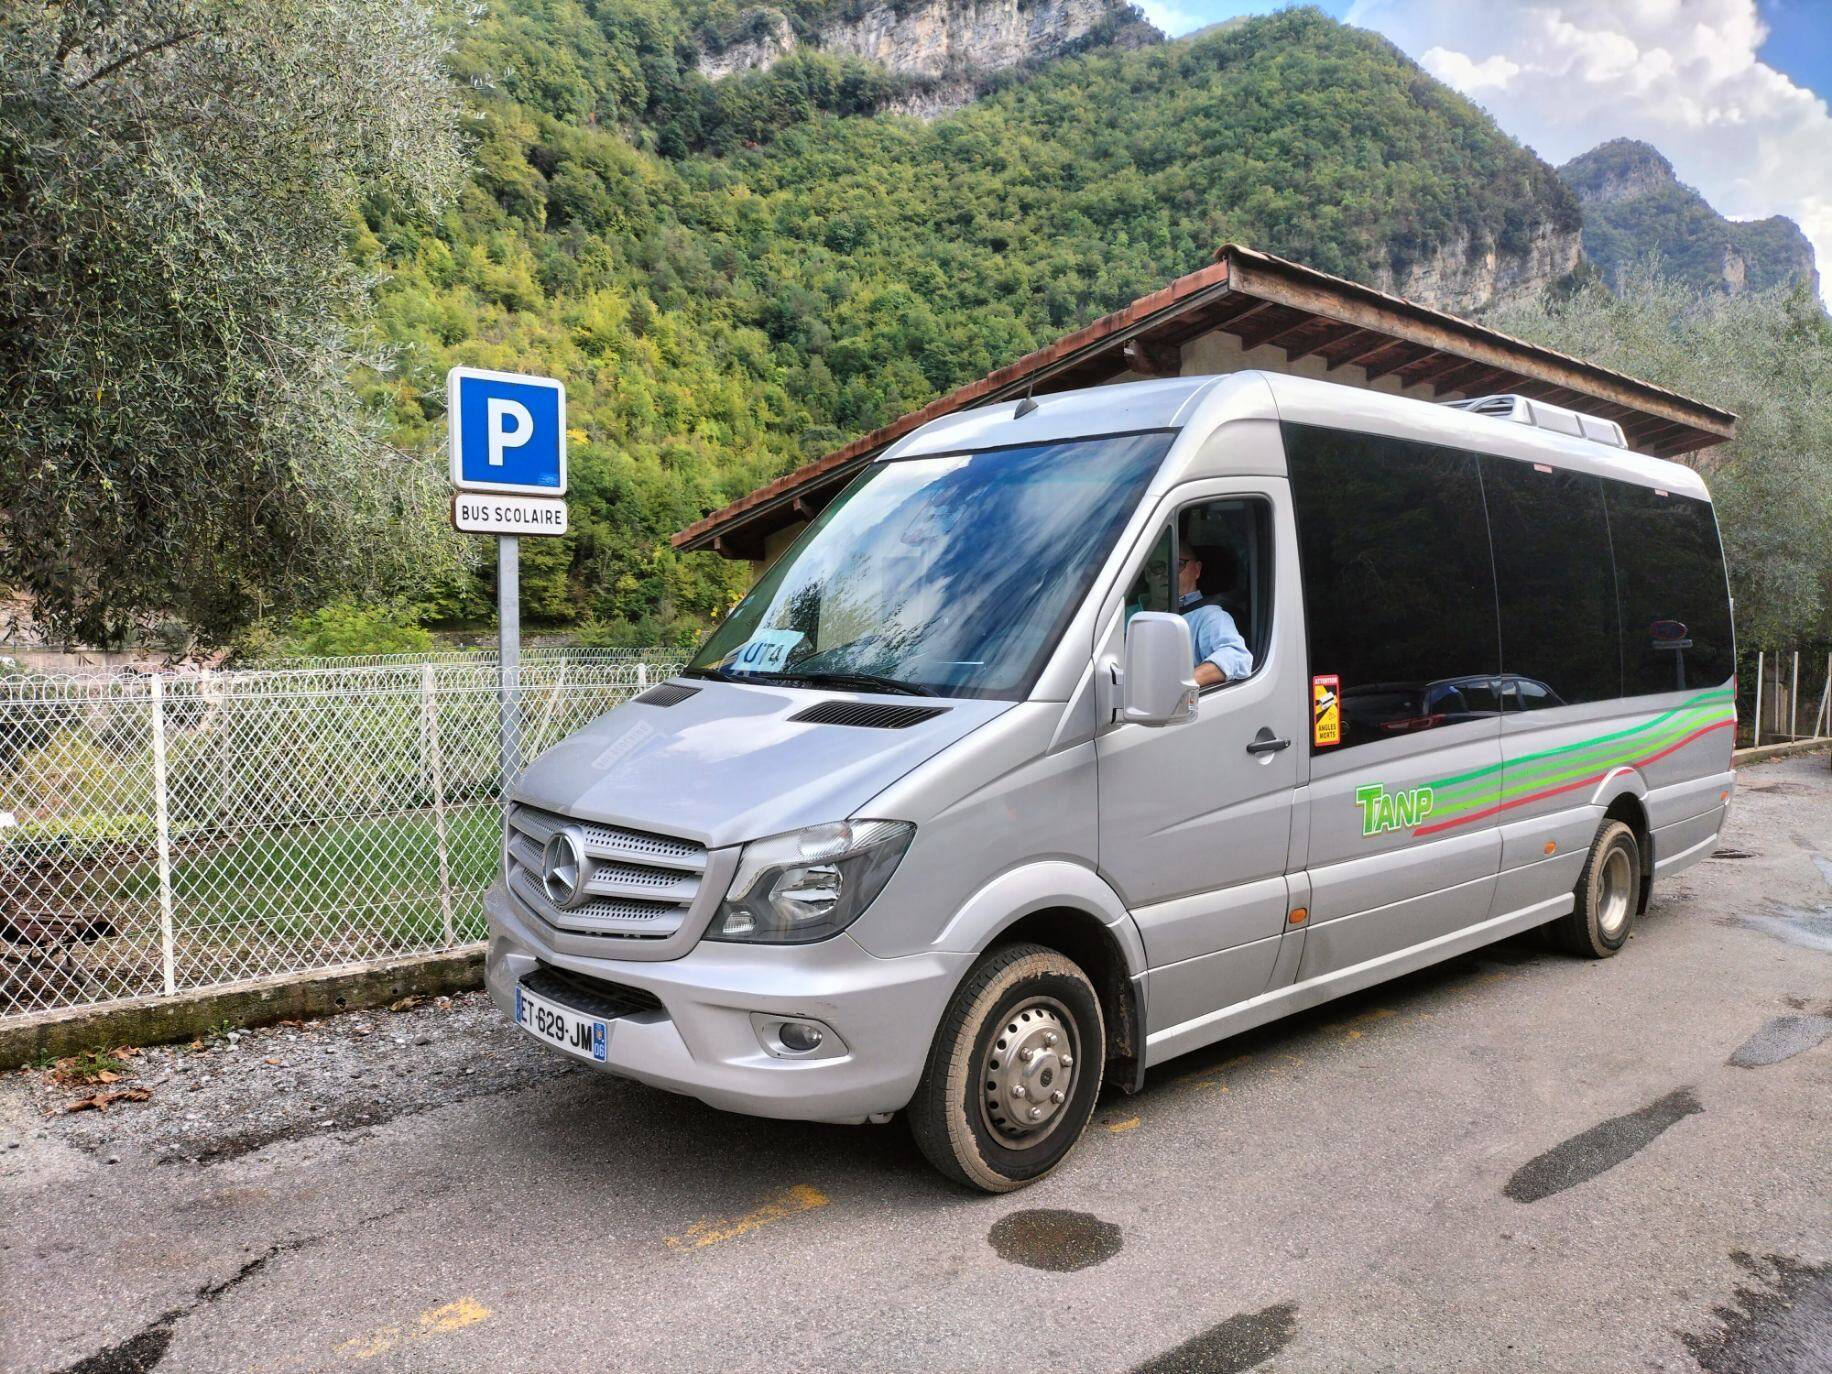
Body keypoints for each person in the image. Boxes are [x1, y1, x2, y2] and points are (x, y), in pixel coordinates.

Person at [1179, 544, 1253, 688]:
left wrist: (1178, 685)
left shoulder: (1208, 615)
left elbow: (1236, 656)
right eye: (1157, 567)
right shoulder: (1127, 610)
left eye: (1178, 565)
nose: (1167, 573)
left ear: (1197, 570)